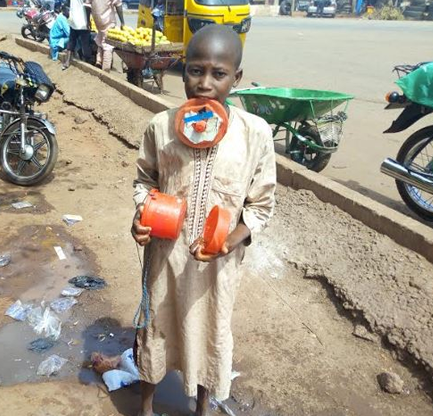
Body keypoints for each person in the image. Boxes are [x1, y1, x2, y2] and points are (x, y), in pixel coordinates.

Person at [131, 25, 276, 416]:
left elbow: (260, 206)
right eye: (195, 70)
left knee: (210, 332)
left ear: (237, 78)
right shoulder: (161, 127)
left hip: (218, 265)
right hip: (165, 258)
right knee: (156, 329)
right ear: (182, 70)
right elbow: (145, 181)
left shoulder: (254, 134)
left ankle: (202, 407)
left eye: (219, 73)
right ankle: (146, 406)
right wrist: (140, 218)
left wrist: (231, 240)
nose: (205, 83)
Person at [89, 0, 124, 72]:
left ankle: (98, 61)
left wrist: (88, 21)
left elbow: (86, 5)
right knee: (108, 45)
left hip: (97, 20)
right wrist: (122, 22)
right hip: (108, 21)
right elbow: (118, 5)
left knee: (100, 39)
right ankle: (106, 69)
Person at [62, 0, 92, 69]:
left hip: (73, 20)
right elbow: (87, 7)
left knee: (71, 41)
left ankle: (67, 61)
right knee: (85, 43)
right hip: (82, 21)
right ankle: (88, 61)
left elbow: (67, 3)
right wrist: (88, 21)